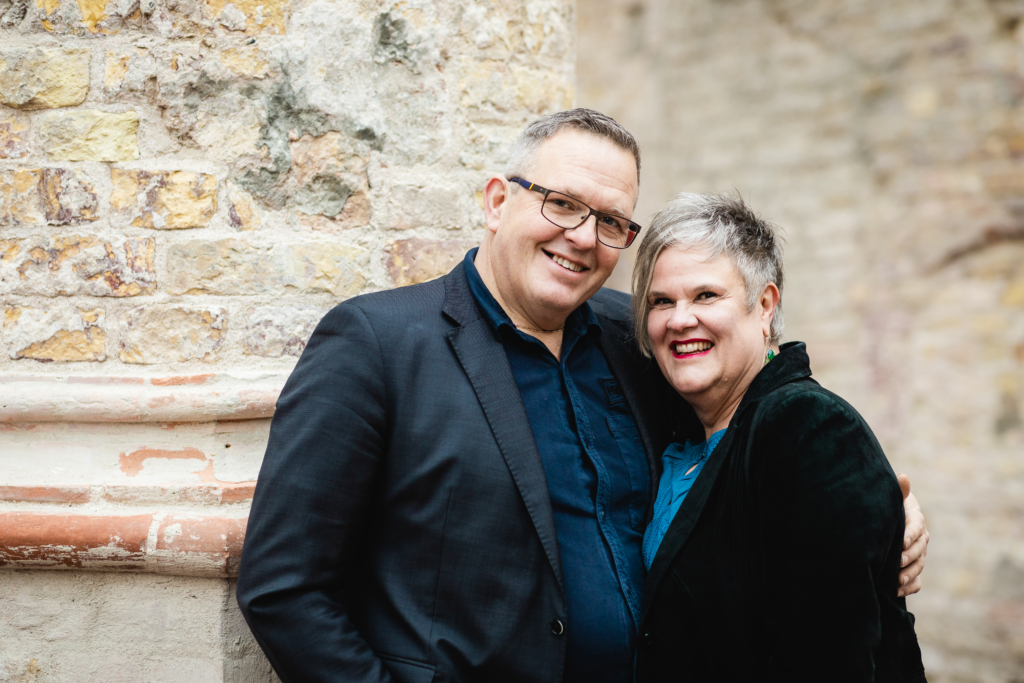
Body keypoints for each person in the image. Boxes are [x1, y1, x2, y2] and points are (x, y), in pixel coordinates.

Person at [236, 109, 928, 683]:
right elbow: (284, 587)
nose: (582, 237)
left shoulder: (637, 335)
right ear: (497, 201)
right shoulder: (377, 343)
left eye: (610, 221)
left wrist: (877, 512)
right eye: (561, 203)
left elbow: (754, 416)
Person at [632, 193, 926, 682]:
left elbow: (828, 659)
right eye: (662, 301)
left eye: (706, 295)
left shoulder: (806, 425)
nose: (679, 319)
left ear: (765, 305)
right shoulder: (681, 437)